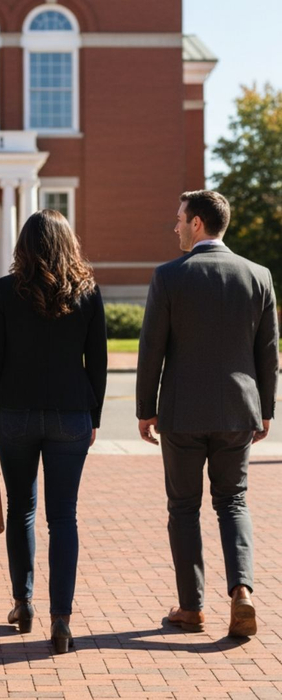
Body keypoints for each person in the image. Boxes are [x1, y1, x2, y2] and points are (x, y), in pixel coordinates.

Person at [136, 190, 279, 637]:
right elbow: (268, 352)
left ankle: (192, 607)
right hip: (239, 410)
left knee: (183, 507)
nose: (175, 225)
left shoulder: (169, 276)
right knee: (232, 501)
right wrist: (267, 410)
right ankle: (242, 592)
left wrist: (145, 410)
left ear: (197, 223)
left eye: (179, 218)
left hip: (181, 412)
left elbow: (151, 350)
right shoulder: (258, 276)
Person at [0, 209, 107, 654]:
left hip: (16, 414)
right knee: (63, 517)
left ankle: (22, 603)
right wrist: (96, 417)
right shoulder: (87, 292)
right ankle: (61, 619)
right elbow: (98, 363)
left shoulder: (5, 291)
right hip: (72, 413)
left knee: (22, 510)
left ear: (23, 246)